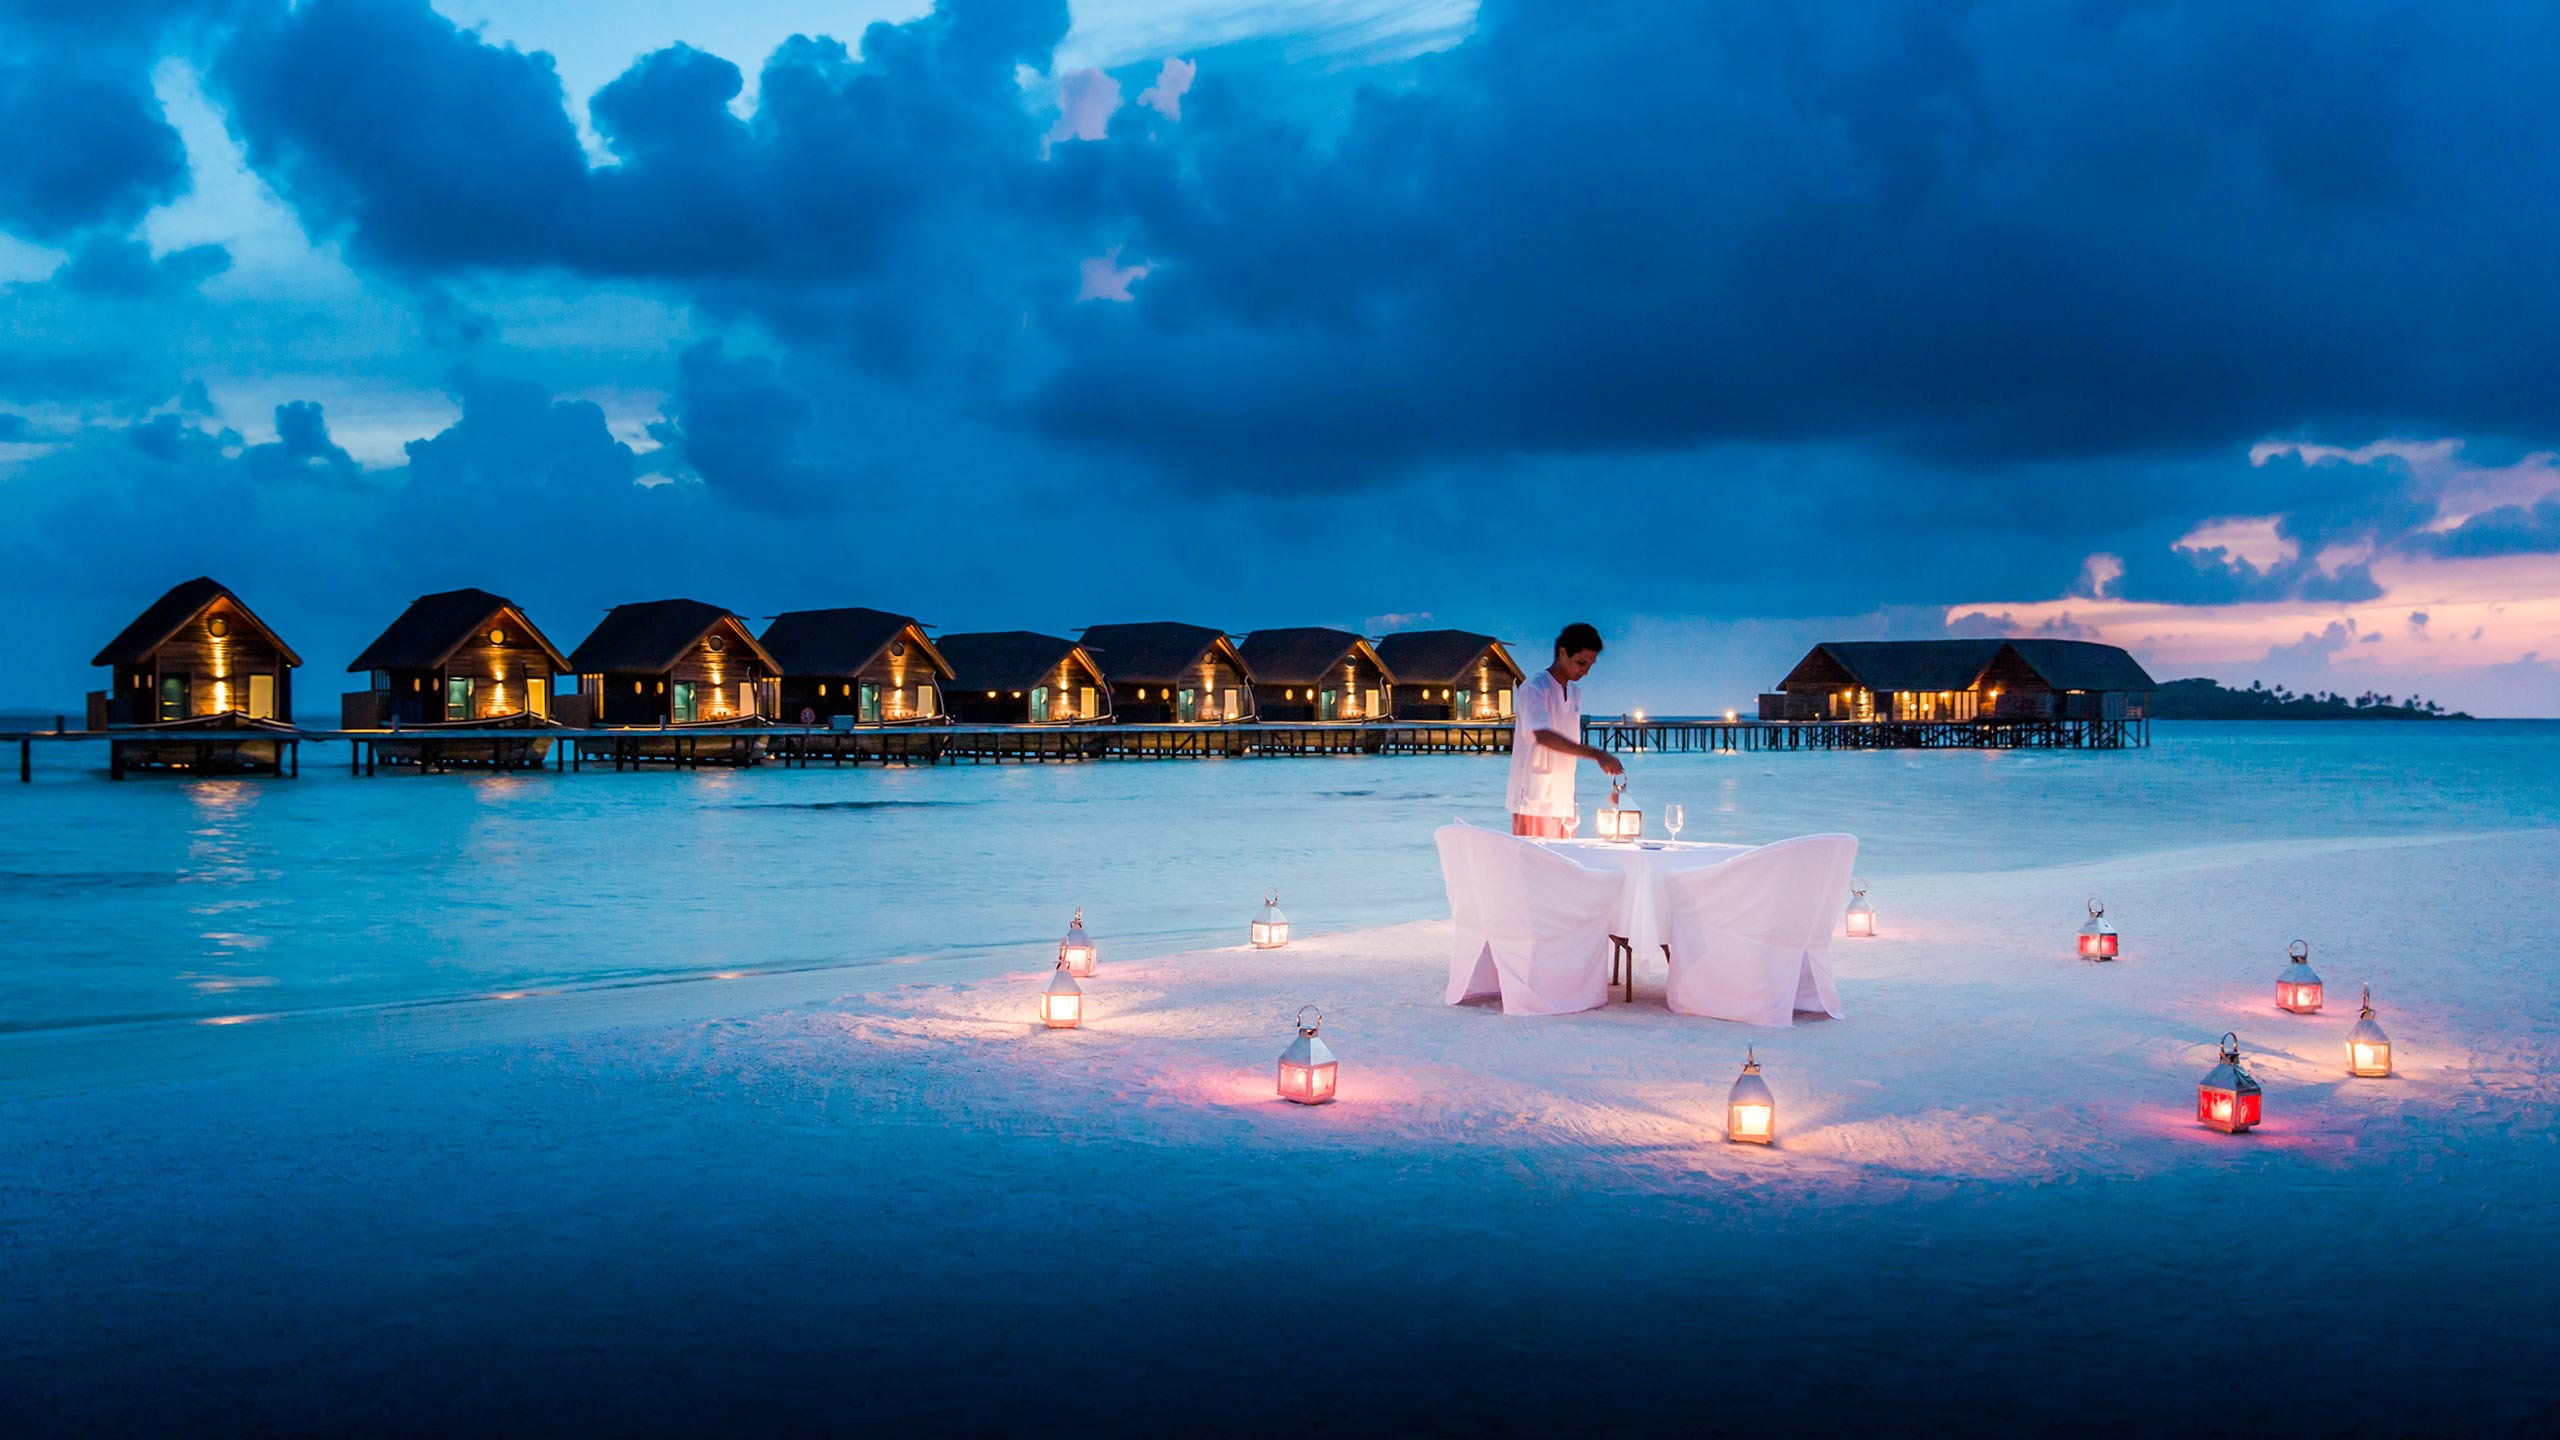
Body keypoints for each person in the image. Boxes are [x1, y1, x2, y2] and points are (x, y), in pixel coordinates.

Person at [1508, 621, 1623, 837]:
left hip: (1564, 800)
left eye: (1590, 665)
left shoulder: (1575, 692)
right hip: (1535, 798)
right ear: (1562, 653)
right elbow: (1542, 735)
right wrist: (1596, 753)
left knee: (1565, 867)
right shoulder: (1535, 687)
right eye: (1580, 662)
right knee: (1534, 868)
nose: (1585, 671)